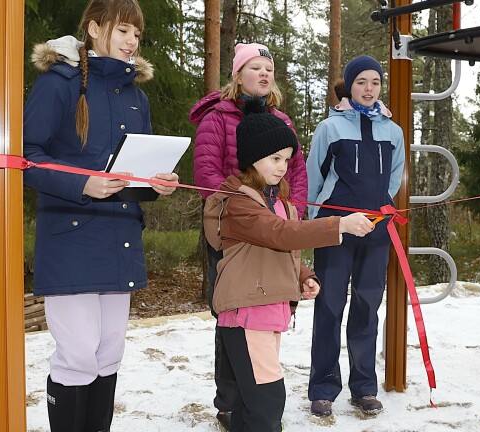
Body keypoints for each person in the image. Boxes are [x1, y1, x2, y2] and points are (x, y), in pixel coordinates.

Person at [22, 1, 178, 430]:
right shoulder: (58, 84)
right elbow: (28, 158)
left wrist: (156, 183)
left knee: (109, 353)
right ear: (93, 29)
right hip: (70, 238)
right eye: (124, 31)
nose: (132, 42)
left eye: (137, 35)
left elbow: (134, 172)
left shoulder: (137, 96)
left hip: (120, 237)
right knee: (77, 354)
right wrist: (82, 183)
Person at [204, 106, 374, 431]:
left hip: (267, 311)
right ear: (252, 158)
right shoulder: (241, 203)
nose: (282, 167)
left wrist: (303, 276)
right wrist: (339, 225)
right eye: (274, 159)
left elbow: (276, 250)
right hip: (246, 314)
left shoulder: (277, 202)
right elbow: (279, 235)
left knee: (249, 405)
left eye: (286, 159)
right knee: (268, 404)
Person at [189, 42, 308, 429]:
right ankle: (231, 400)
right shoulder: (218, 118)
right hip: (235, 229)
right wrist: (236, 209)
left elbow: (298, 174)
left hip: (277, 225)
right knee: (234, 316)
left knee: (269, 310)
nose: (263, 74)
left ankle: (255, 398)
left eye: (268, 68)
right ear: (237, 74)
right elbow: (206, 172)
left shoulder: (283, 120)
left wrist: (292, 213)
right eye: (254, 67)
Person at [305, 55, 406, 417]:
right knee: (330, 307)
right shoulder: (329, 129)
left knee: (367, 308)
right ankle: (322, 388)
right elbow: (313, 178)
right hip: (335, 230)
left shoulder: (393, 132)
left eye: (375, 83)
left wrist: (380, 208)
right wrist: (314, 222)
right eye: (361, 82)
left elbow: (394, 177)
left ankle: (363, 387)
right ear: (350, 86)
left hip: (376, 233)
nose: (368, 88)